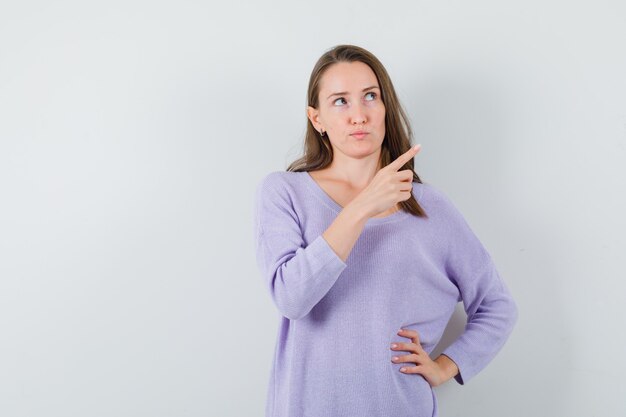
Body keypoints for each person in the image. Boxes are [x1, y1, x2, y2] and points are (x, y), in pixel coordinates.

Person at [252, 44, 518, 417]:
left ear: (385, 109)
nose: (358, 115)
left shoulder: (431, 208)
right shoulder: (284, 192)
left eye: (370, 97)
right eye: (340, 101)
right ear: (317, 119)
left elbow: (497, 306)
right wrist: (362, 206)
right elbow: (291, 298)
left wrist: (446, 365)